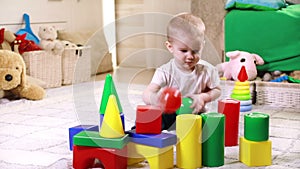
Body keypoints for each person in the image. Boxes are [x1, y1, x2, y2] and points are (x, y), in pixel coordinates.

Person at [142, 12, 221, 130]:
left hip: (196, 112)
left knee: (210, 126)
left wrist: (203, 97)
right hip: (170, 113)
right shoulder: (165, 71)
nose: (190, 56)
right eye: (184, 51)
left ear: (202, 46)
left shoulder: (207, 71)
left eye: (195, 51)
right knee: (151, 121)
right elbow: (147, 93)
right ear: (170, 47)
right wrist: (157, 99)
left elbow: (217, 90)